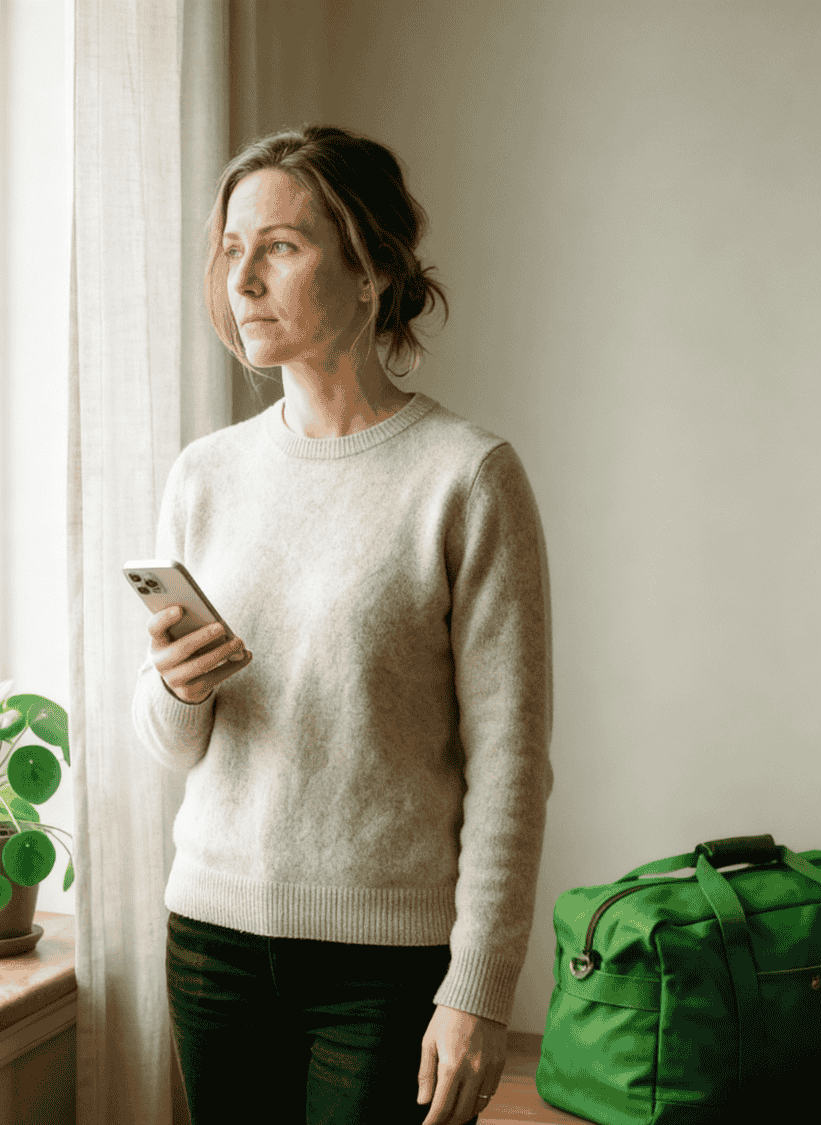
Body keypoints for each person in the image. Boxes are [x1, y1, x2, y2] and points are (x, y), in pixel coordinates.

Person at [131, 124, 555, 1125]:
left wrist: (479, 993)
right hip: (210, 942)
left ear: (371, 272)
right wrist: (175, 687)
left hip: (384, 967)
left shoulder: (466, 477)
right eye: (231, 250)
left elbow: (510, 765)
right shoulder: (205, 474)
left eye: (280, 246)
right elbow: (167, 745)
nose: (243, 279)